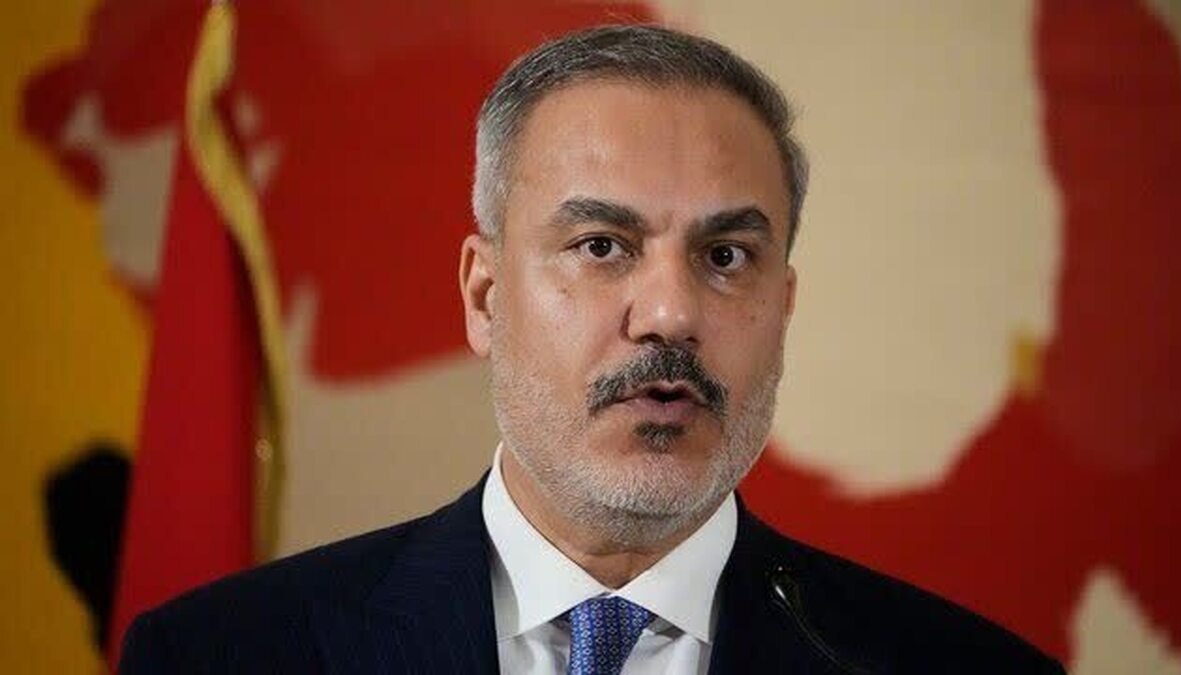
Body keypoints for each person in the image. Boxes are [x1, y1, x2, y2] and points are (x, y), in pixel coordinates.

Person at [118, 25, 1064, 674]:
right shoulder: (220, 655)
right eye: (602, 245)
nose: (671, 314)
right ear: (484, 294)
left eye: (725, 256)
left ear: (783, 308)